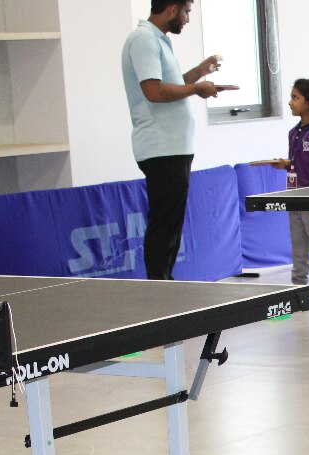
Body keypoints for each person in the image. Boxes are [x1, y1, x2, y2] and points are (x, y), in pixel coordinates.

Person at [121, 0, 225, 280]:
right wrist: (196, 89)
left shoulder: (158, 41)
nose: (188, 19)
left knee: (171, 224)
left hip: (173, 147)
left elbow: (170, 84)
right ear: (171, 9)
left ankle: (165, 282)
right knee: (164, 224)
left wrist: (199, 73)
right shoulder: (143, 40)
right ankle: (160, 288)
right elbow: (154, 92)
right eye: (187, 12)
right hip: (161, 148)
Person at [269, 80, 309, 305]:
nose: (290, 102)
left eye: (295, 98)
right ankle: (298, 288)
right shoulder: (294, 132)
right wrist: (286, 164)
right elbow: (298, 163)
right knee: (298, 244)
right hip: (294, 196)